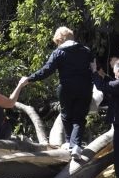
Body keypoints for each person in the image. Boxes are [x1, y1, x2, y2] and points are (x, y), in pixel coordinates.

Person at [21, 26, 93, 156]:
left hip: (66, 89)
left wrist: (29, 79)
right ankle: (74, 145)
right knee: (79, 118)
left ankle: (71, 143)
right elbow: (93, 69)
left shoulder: (58, 53)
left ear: (60, 40)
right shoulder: (86, 51)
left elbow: (46, 70)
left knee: (66, 115)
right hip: (84, 88)